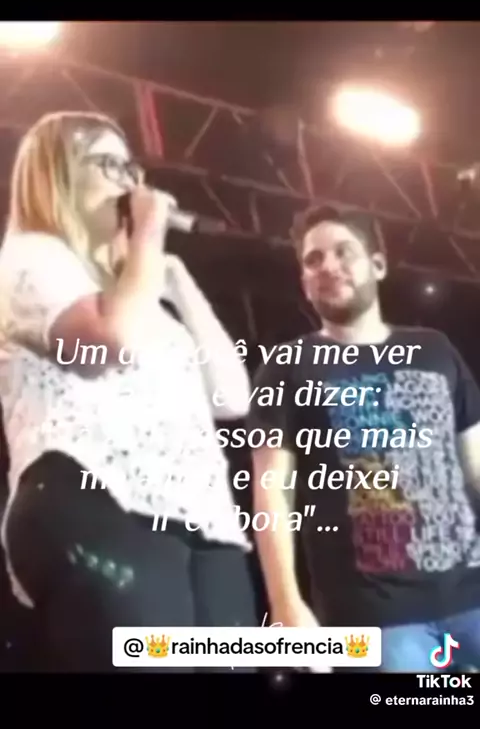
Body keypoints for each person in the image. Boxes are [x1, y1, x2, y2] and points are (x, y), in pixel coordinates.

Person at [0, 110, 258, 672]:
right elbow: (107, 344)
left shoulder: (141, 298)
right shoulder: (31, 256)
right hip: (98, 495)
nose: (131, 184)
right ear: (58, 174)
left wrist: (176, 280)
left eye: (131, 168)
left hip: (202, 522)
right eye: (109, 165)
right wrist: (148, 234)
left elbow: (231, 397)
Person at [247, 204, 480, 672]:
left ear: (378, 264)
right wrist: (286, 605)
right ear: (304, 282)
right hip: (373, 618)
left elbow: (475, 464)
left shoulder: (434, 348)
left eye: (343, 252)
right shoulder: (288, 365)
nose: (328, 266)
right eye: (313, 260)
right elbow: (272, 492)